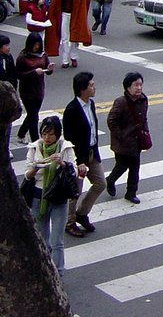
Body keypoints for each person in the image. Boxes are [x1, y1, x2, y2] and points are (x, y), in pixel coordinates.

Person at [24, 115, 76, 276]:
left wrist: (61, 163)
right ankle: (46, 271)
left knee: (57, 241)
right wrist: (37, 167)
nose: (47, 138)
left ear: (58, 134)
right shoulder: (34, 148)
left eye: (51, 134)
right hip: (38, 196)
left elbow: (72, 171)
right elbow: (27, 175)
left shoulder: (65, 148)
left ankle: (58, 273)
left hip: (58, 197)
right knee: (43, 238)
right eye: (44, 133)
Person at [62, 71, 106, 238]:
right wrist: (78, 161)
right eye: (91, 85)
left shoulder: (91, 104)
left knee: (100, 183)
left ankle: (82, 213)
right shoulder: (72, 110)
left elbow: (92, 130)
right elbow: (69, 138)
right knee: (75, 192)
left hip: (91, 153)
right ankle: (70, 222)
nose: (94, 87)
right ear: (82, 89)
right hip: (78, 157)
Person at [105, 72, 149, 204]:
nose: (139, 88)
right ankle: (110, 180)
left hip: (136, 142)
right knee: (121, 166)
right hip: (122, 143)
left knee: (135, 168)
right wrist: (121, 135)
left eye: (141, 85)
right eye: (136, 85)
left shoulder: (143, 99)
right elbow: (111, 121)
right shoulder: (121, 102)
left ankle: (131, 193)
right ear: (127, 87)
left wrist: (145, 131)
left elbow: (144, 118)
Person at [46, 0, 91, 69]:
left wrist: (82, 14)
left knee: (75, 37)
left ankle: (74, 57)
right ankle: (65, 59)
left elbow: (86, 0)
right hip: (65, 14)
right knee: (65, 37)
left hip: (76, 15)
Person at [15, 32, 53, 144]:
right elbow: (19, 74)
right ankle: (35, 141)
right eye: (34, 44)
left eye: (38, 44)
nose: (36, 47)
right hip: (27, 91)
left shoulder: (43, 55)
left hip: (39, 90)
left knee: (33, 114)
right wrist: (33, 72)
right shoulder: (23, 57)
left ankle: (21, 133)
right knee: (34, 116)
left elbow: (47, 69)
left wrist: (49, 69)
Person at [0, 33, 15, 153]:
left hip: (8, 96)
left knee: (8, 124)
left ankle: (6, 147)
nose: (8, 47)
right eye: (6, 45)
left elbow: (13, 75)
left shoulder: (9, 57)